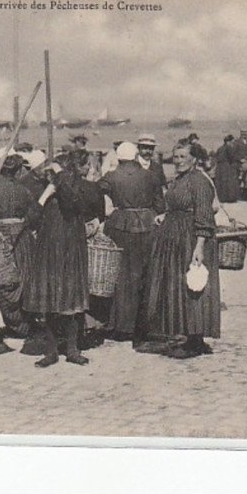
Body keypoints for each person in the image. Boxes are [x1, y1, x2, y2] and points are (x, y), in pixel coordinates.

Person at [23, 150, 103, 367]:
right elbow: (30, 219)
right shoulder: (45, 189)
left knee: (73, 301)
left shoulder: (81, 188)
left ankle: (72, 348)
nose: (89, 169)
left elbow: (71, 203)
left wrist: (60, 179)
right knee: (50, 300)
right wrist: (45, 195)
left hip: (71, 248)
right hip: (49, 248)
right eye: (86, 165)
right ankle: (51, 351)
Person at [144, 141, 221, 358]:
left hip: (191, 238)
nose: (177, 161)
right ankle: (189, 336)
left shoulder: (199, 181)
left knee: (193, 286)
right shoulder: (179, 180)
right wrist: (165, 216)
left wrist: (199, 246)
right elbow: (175, 206)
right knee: (179, 286)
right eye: (175, 156)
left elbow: (205, 215)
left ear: (194, 159)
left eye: (181, 157)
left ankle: (196, 339)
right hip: (175, 238)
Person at [98, 141, 165, 343]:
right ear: (136, 156)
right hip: (146, 225)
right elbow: (160, 204)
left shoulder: (111, 176)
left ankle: (119, 325)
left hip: (119, 226)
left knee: (120, 275)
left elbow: (96, 193)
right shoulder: (150, 176)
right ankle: (143, 324)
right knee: (144, 274)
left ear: (118, 158)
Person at [0, 152, 42, 338]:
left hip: (0, 236)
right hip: (22, 237)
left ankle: (13, 324)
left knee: (4, 281)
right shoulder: (24, 190)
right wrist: (22, 223)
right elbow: (34, 215)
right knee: (24, 278)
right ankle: (24, 324)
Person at [213, 134, 241, 203]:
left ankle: (222, 197)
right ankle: (229, 198)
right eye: (232, 141)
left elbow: (216, 156)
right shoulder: (229, 148)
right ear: (228, 142)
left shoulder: (220, 148)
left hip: (219, 167)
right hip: (226, 166)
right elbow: (232, 157)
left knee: (221, 182)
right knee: (229, 182)